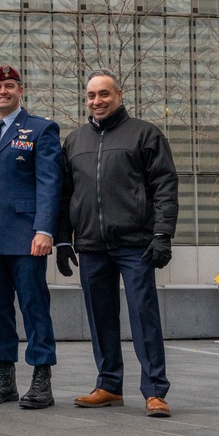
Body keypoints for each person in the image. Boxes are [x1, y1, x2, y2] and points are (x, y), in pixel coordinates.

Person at [56, 70, 178, 417]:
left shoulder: (145, 134)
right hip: (92, 245)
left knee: (144, 316)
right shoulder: (75, 140)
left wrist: (162, 234)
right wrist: (64, 241)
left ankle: (155, 392)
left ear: (119, 95)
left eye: (104, 94)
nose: (97, 101)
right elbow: (65, 196)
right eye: (92, 95)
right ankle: (109, 385)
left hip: (135, 244)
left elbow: (165, 187)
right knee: (101, 317)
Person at [0, 65, 62, 409]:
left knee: (35, 306)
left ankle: (41, 376)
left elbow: (50, 183)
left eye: (9, 86)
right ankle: (4, 375)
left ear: (21, 90)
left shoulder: (41, 129)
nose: (2, 91)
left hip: (26, 236)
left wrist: (44, 229)